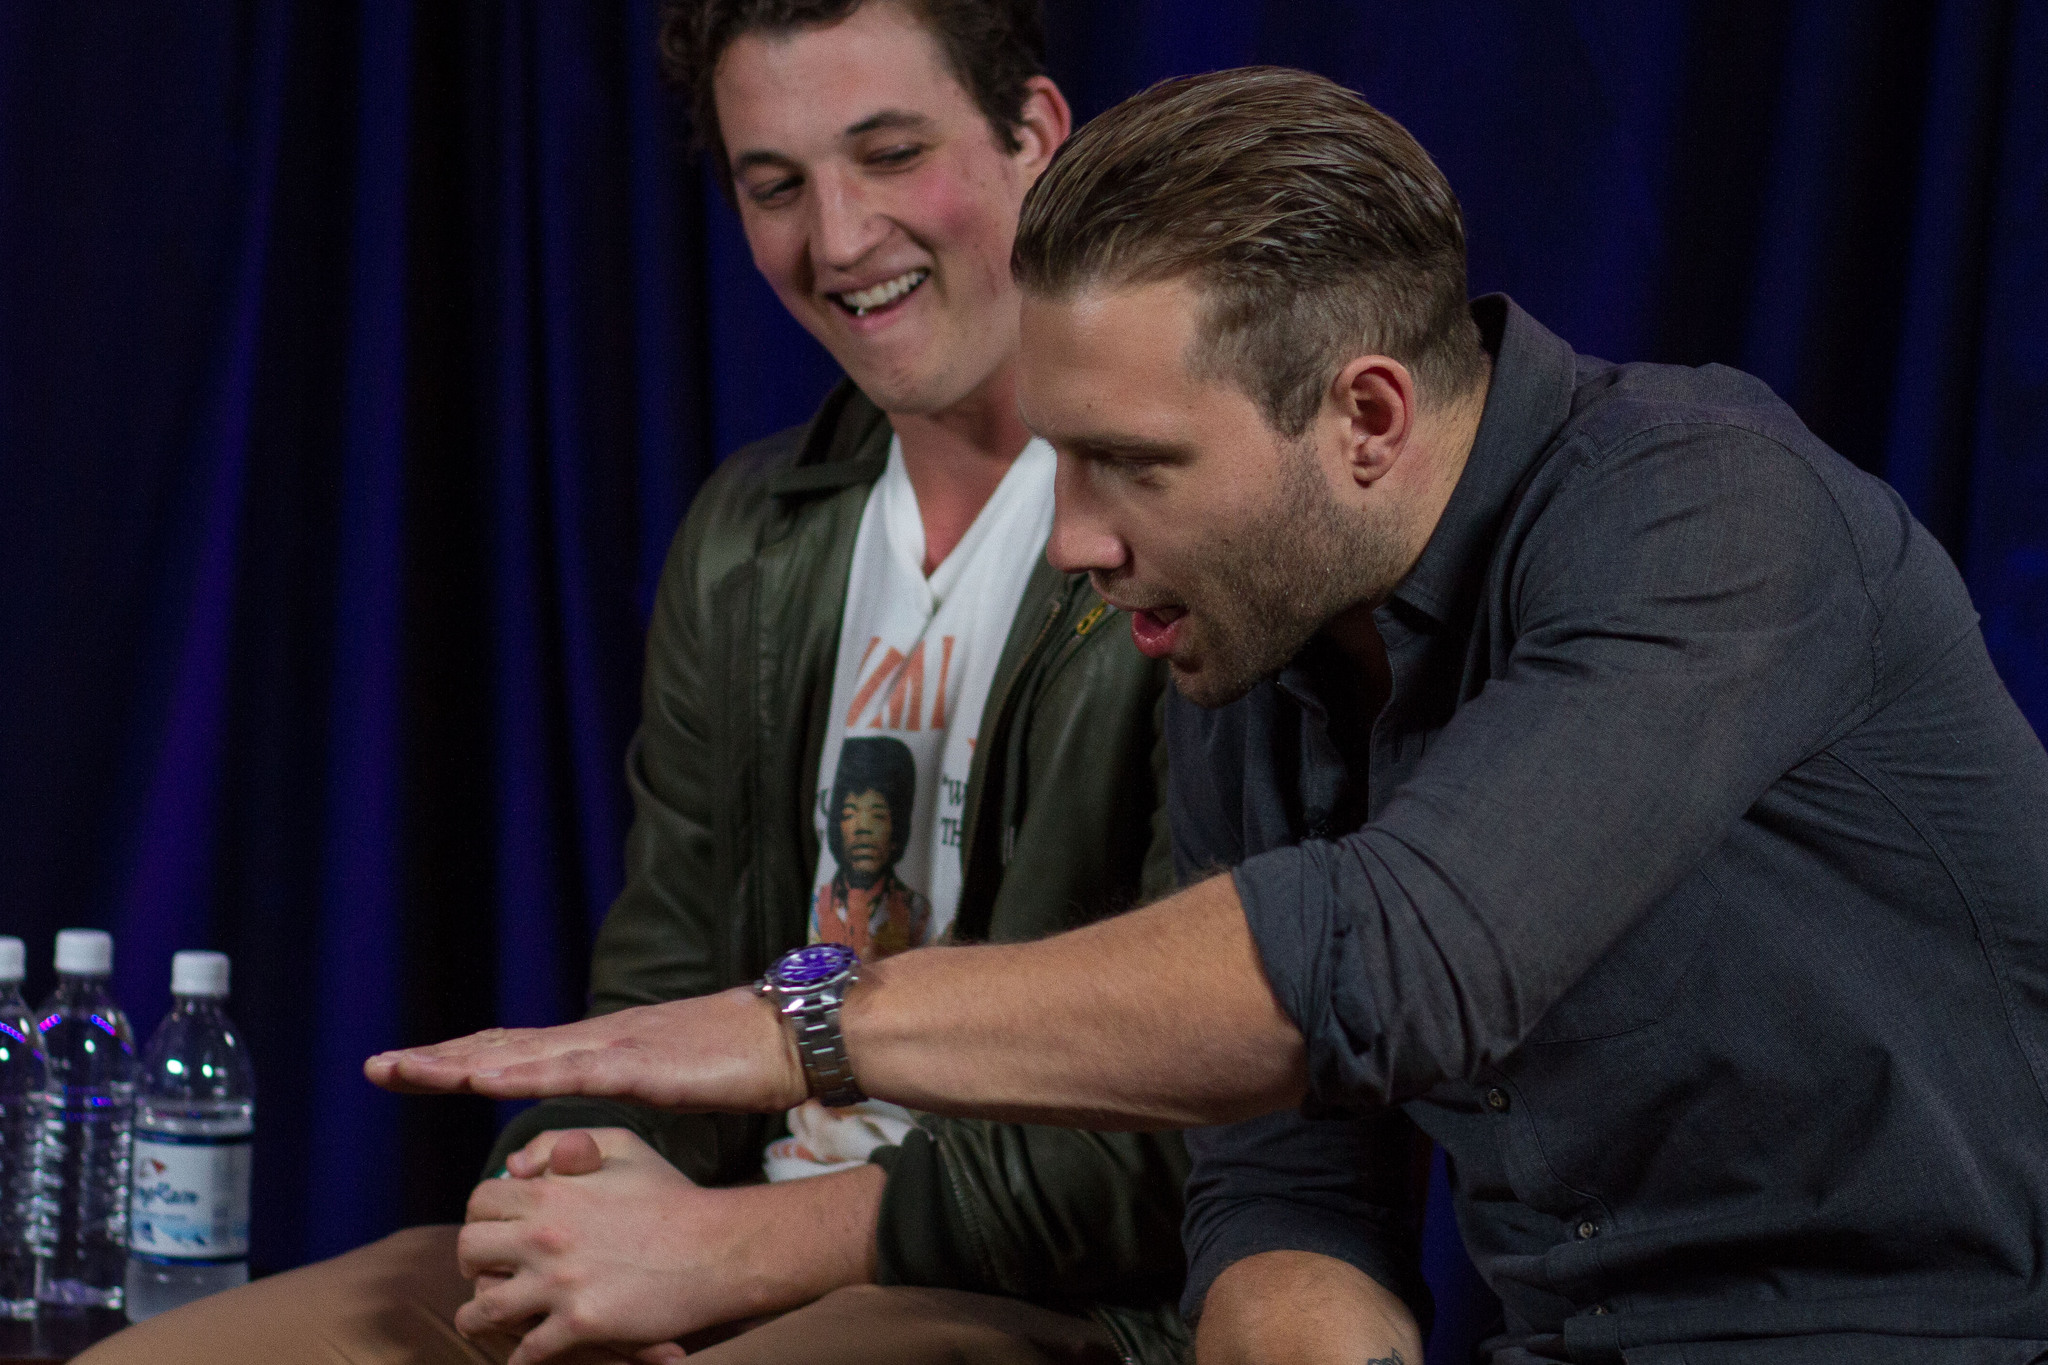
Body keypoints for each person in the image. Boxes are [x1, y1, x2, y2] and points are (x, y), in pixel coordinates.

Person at [371, 66, 2048, 1365]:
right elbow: (1289, 1170)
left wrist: (811, 1022)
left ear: (1365, 416)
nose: (1078, 537)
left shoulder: (1711, 514)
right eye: (1060, 454)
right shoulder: (1242, 629)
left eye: (1131, 465)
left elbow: (1394, 956)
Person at [83, 4, 1189, 1365]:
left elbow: (1195, 1124)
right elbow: (658, 993)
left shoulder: (1172, 513)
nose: (835, 239)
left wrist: (730, 1251)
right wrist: (567, 1203)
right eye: (772, 184)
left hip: (1029, 1294)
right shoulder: (748, 539)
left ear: (1036, 136)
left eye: (890, 154)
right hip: (723, 1242)